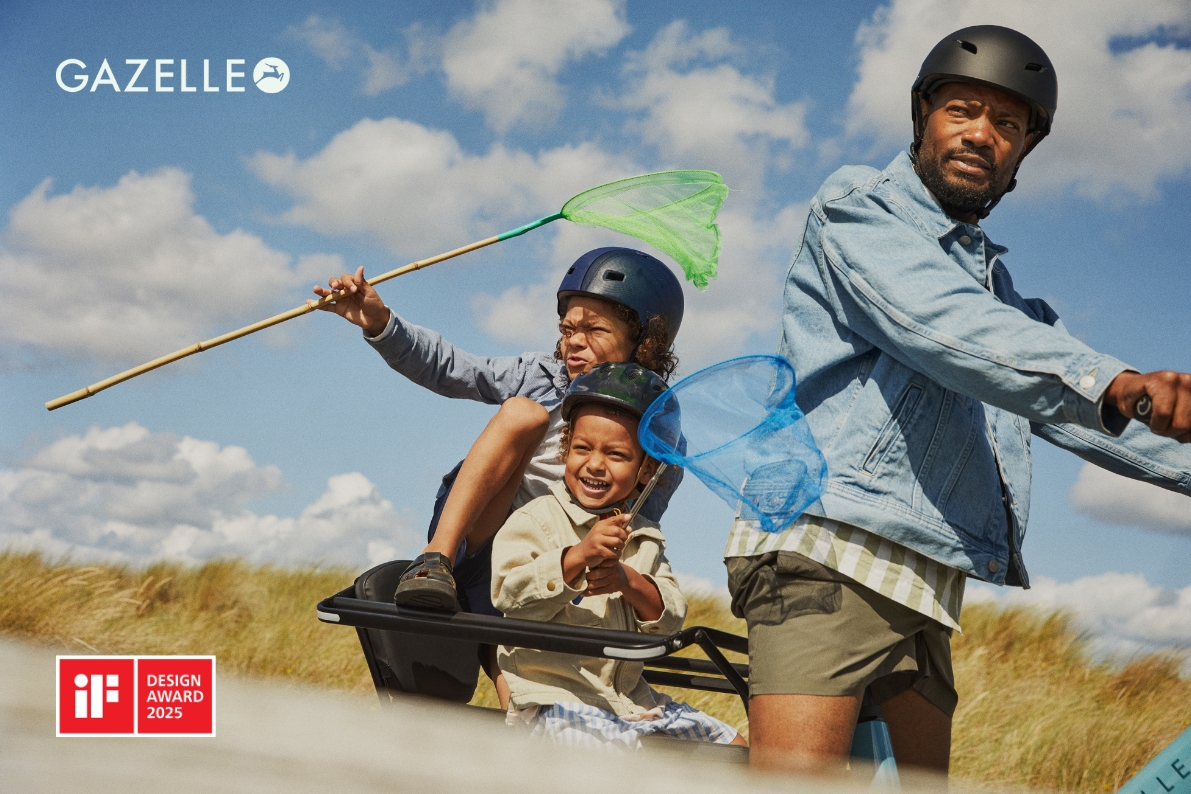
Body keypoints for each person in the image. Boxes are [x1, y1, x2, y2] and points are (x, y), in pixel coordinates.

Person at [729, 25, 1191, 775]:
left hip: (923, 581)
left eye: (1007, 124)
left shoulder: (1000, 295)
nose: (981, 134)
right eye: (962, 110)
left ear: (1021, 155)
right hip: (828, 551)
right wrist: (1120, 385)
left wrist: (1143, 411)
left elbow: (1071, 405)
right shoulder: (856, 207)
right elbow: (942, 326)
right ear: (922, 118)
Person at [311, 247, 685, 619]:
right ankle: (434, 561)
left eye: (594, 329)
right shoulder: (541, 375)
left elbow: (639, 525)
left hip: (548, 564)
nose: (573, 340)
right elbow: (453, 368)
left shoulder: (661, 433)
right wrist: (380, 323)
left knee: (511, 672)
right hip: (483, 534)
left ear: (645, 342)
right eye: (568, 329)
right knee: (523, 413)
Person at [491, 362, 745, 749]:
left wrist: (627, 581)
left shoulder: (643, 536)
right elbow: (509, 596)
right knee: (612, 762)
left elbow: (671, 617)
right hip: (554, 699)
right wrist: (576, 557)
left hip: (631, 702)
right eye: (582, 448)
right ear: (565, 449)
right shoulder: (535, 519)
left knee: (735, 748)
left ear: (646, 470)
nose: (595, 464)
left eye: (616, 454)